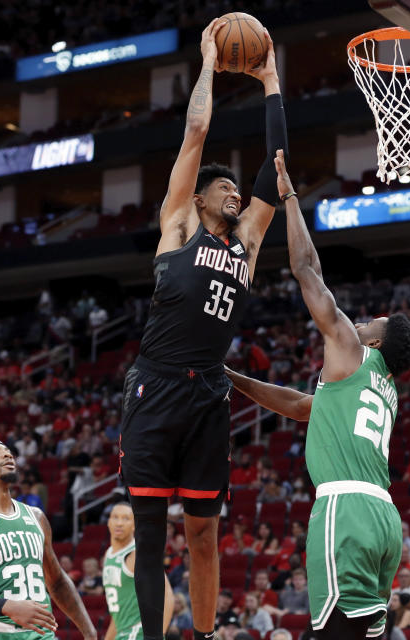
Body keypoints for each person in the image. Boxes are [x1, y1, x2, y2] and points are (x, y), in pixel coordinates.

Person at [117, 22, 286, 640]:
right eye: (225, 186)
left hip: (207, 392)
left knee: (204, 534)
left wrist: (270, 81)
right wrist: (211, 62)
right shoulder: (179, 228)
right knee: (152, 528)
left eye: (239, 188)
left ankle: (207, 635)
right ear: (202, 198)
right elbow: (195, 133)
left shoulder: (246, 243)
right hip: (155, 387)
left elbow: (277, 165)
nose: (236, 192)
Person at [224, 150, 410, 639]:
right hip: (385, 520)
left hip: (345, 512)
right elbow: (298, 407)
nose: (363, 318)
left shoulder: (352, 349)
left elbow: (307, 269)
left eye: (373, 320)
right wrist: (232, 377)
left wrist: (290, 196)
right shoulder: (384, 389)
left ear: (374, 340)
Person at [0, 439, 98, 640]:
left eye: (9, 451)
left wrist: (89, 632)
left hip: (40, 635)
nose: (7, 455)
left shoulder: (36, 517)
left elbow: (56, 581)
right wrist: (7, 606)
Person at [103, 502, 173, 640]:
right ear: (108, 522)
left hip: (139, 633)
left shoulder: (137, 554)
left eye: (126, 518)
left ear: (134, 524)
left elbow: (167, 595)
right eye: (115, 517)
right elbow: (117, 613)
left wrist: (159, 635)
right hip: (122, 633)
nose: (119, 523)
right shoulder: (108, 554)